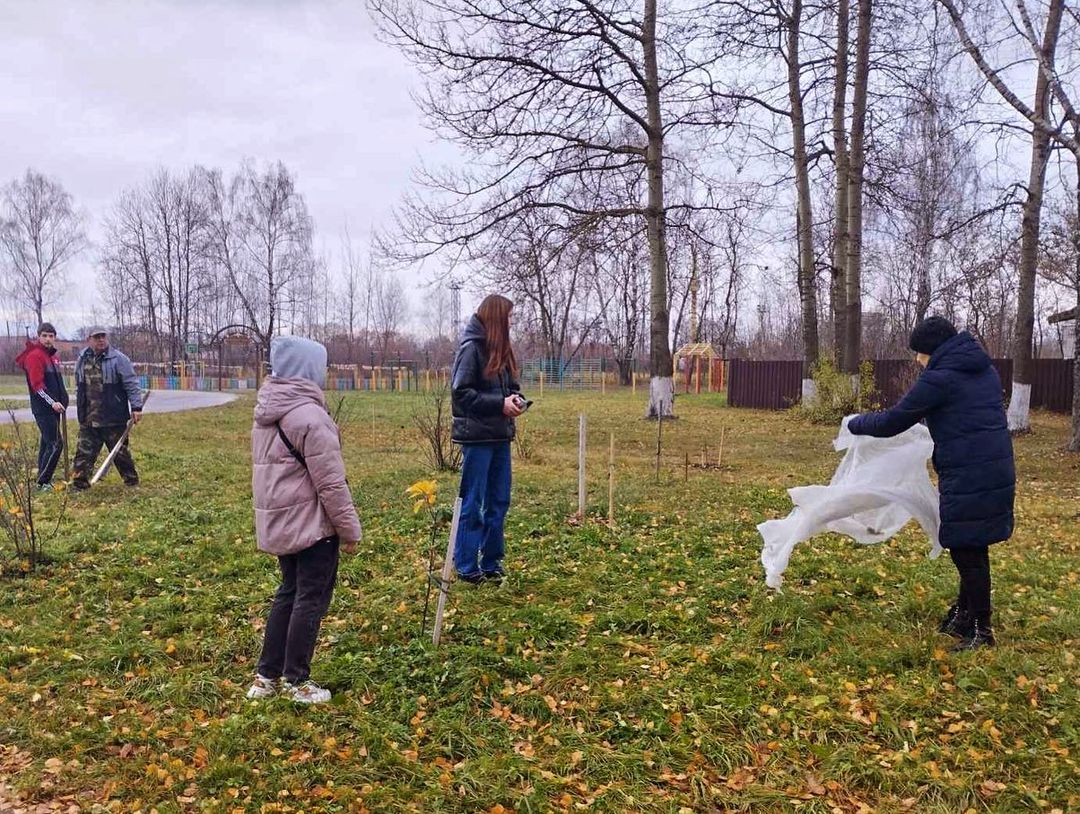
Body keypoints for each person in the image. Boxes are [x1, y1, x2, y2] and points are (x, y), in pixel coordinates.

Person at [847, 316, 1015, 651]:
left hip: (970, 473)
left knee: (967, 550)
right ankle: (966, 614)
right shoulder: (984, 370)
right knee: (971, 545)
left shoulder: (940, 378)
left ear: (932, 350)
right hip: (992, 468)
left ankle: (982, 631)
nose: (917, 360)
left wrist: (855, 423)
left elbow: (894, 420)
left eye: (919, 353)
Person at [247, 336, 361, 705]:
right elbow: (331, 484)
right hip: (313, 527)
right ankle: (297, 681)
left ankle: (266, 678)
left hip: (282, 522)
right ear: (309, 369)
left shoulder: (267, 412)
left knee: (289, 593)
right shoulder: (312, 417)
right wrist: (349, 530)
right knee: (310, 599)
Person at [450, 294, 527, 585]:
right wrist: (499, 404)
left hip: (500, 436)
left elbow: (512, 388)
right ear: (496, 319)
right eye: (508, 318)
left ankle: (492, 563)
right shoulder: (472, 349)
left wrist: (516, 401)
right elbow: (461, 393)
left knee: (499, 500)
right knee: (473, 502)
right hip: (478, 439)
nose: (511, 323)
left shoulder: (502, 351)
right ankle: (466, 565)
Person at [72, 327, 144, 490]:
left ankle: (131, 482)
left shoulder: (119, 359)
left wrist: (136, 407)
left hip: (113, 415)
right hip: (89, 417)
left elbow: (131, 384)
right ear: (89, 339)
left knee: (120, 452)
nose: (101, 340)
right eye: (97, 337)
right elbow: (79, 383)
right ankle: (79, 484)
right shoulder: (82, 358)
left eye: (103, 336)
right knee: (84, 451)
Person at [14, 322, 70, 490]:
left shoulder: (53, 357)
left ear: (55, 338)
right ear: (38, 336)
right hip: (44, 409)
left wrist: (63, 399)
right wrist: (52, 402)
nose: (48, 339)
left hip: (55, 409)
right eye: (44, 336)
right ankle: (43, 482)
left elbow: (57, 383)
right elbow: (37, 385)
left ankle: (41, 479)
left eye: (51, 336)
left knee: (47, 443)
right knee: (56, 443)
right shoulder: (35, 356)